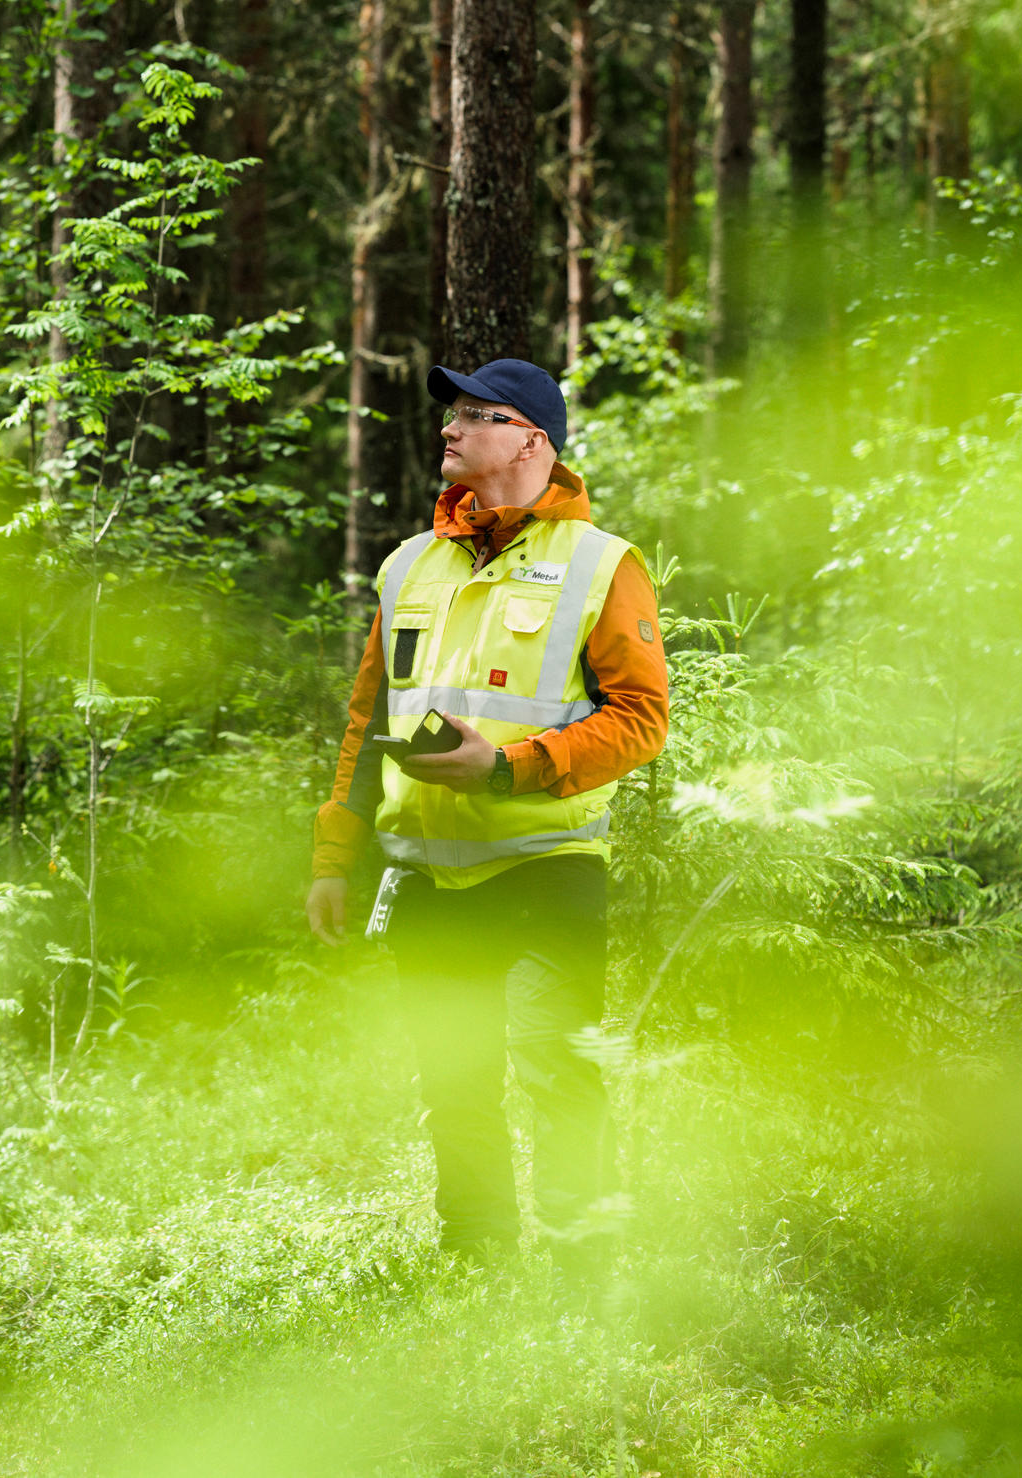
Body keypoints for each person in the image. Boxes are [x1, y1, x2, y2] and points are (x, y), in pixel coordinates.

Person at [306, 357, 669, 1276]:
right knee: (455, 1085)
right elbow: (368, 721)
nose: (450, 428)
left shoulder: (602, 566)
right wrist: (332, 856)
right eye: (451, 413)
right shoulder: (405, 568)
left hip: (549, 868)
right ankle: (477, 1269)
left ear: (531, 440)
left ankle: (583, 1274)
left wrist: (505, 771)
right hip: (425, 876)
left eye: (477, 413)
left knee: (559, 1073)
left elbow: (641, 721)